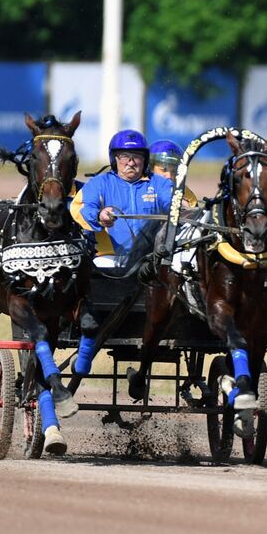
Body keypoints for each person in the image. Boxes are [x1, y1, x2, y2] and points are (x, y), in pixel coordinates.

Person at [67, 130, 177, 375]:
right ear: (114, 158)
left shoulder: (158, 184)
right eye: (124, 156)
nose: (131, 162)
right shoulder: (100, 184)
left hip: (152, 262)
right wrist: (99, 215)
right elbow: (84, 207)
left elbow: (177, 205)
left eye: (137, 156)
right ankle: (88, 345)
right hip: (109, 259)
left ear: (145, 160)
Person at [148, 139, 197, 203]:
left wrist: (185, 209)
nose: (169, 176)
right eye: (163, 170)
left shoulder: (185, 195)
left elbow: (195, 210)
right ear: (150, 169)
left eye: (174, 171)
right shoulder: (139, 191)